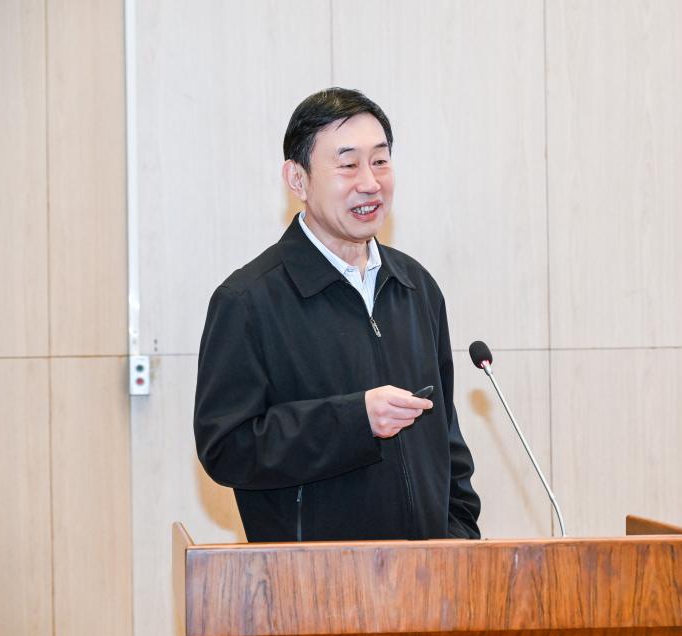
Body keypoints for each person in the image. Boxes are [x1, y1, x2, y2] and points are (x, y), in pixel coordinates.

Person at [194, 88, 481, 542]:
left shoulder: (416, 288)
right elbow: (226, 448)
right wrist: (354, 421)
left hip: (427, 574)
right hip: (313, 578)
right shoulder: (248, 301)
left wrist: (460, 537)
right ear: (298, 179)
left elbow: (447, 443)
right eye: (347, 165)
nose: (370, 182)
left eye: (380, 161)